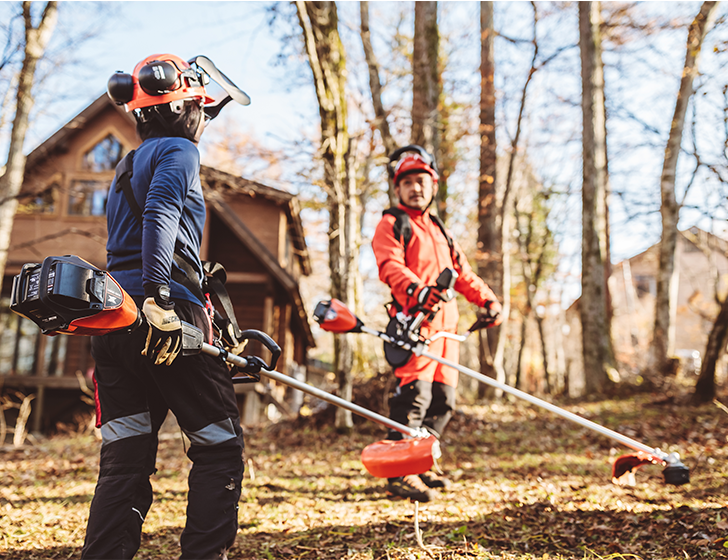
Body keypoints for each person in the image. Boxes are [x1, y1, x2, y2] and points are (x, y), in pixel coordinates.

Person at [82, 54, 249, 560]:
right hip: (163, 317)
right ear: (183, 107)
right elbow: (161, 211)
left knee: (125, 459)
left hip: (115, 320)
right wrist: (161, 296)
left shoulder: (128, 162)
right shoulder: (179, 150)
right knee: (219, 449)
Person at [371, 145, 503, 503]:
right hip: (416, 326)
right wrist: (418, 291)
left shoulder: (440, 231)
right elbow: (390, 266)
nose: (415, 188)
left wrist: (488, 300)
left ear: (433, 186)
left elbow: (462, 274)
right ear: (397, 189)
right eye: (408, 182)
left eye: (422, 181)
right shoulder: (392, 224)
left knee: (443, 402)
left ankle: (421, 463)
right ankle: (398, 472)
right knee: (414, 398)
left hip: (447, 331)